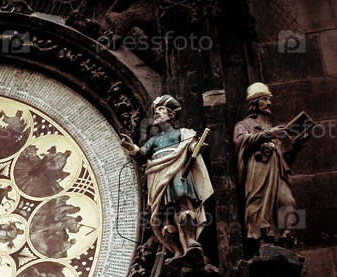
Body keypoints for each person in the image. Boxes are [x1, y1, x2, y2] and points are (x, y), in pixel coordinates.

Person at [120, 95, 213, 259]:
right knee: (164, 214)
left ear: (171, 115)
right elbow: (142, 154)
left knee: (184, 202)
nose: (157, 113)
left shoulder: (181, 134)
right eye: (156, 111)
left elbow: (189, 145)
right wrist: (132, 148)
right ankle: (176, 250)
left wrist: (196, 147)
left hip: (177, 171)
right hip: (159, 176)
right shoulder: (154, 140)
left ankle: (191, 240)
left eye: (161, 110)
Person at [233, 82, 307, 246]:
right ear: (254, 102)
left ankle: (287, 236)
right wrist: (267, 134)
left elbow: (284, 160)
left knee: (288, 201)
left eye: (269, 99)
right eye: (264, 99)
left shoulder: (273, 128)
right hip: (258, 168)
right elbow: (240, 141)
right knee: (258, 201)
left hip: (277, 171)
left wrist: (297, 145)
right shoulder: (243, 125)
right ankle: (261, 240)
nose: (269, 103)